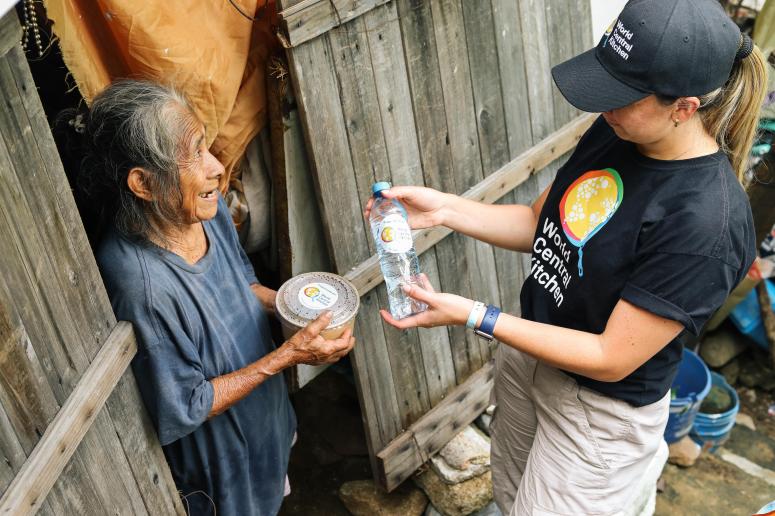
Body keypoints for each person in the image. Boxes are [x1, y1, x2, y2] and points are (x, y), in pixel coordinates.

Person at [367, 0, 767, 513]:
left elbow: (610, 356)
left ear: (683, 107)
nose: (604, 108)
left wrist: (473, 315)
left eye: (622, 97)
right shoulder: (617, 131)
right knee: (513, 502)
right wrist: (443, 208)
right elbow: (540, 224)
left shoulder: (706, 222)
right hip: (529, 361)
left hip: (599, 415)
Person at [68, 79, 355, 515]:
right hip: (221, 462)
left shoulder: (206, 207)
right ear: (143, 184)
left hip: (265, 414)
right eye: (192, 156)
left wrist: (300, 310)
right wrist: (288, 356)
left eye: (205, 146)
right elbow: (185, 406)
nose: (217, 167)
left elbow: (242, 285)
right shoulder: (139, 281)